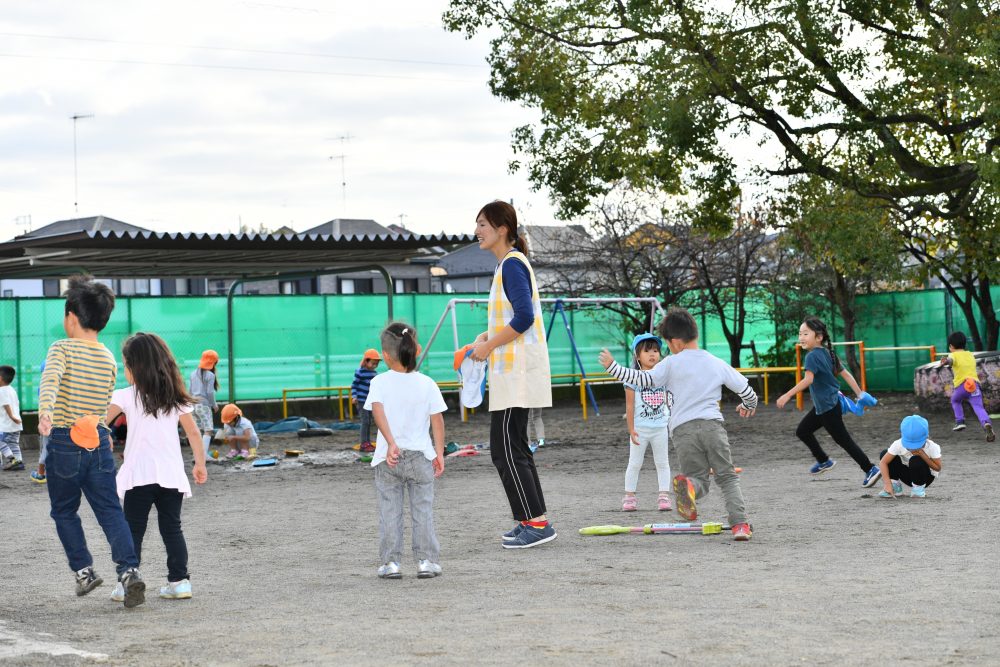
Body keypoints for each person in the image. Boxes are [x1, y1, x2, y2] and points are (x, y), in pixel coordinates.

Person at [599, 308, 757, 541]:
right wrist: (747, 405)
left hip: (682, 431)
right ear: (694, 335)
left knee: (697, 477)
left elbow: (642, 379)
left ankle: (690, 487)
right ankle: (740, 526)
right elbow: (746, 390)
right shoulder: (715, 362)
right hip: (713, 426)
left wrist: (614, 367)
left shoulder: (671, 364)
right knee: (726, 477)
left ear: (675, 342)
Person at [37, 275, 145, 607]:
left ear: (70, 315)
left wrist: (45, 413)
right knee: (111, 510)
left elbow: (51, 379)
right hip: (97, 440)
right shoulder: (107, 357)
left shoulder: (61, 347)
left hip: (65, 439)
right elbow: (101, 405)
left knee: (64, 511)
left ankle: (84, 571)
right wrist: (102, 433)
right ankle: (129, 572)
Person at [468, 201, 556, 549]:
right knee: (511, 448)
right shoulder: (507, 266)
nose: (477, 231)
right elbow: (512, 320)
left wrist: (488, 348)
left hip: (516, 374)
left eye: (482, 224)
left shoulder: (512, 266)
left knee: (506, 451)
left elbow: (523, 319)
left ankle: (537, 523)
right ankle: (528, 520)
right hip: (511, 373)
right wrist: (486, 338)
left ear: (502, 228)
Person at [106, 332, 208, 601]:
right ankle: (179, 582)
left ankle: (126, 582)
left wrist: (102, 434)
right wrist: (199, 463)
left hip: (139, 476)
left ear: (133, 367)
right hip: (171, 475)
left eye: (125, 365)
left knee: (132, 531)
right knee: (172, 528)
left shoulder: (125, 396)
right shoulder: (175, 397)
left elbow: (98, 421)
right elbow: (194, 434)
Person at [365, 322, 446, 579]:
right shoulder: (427, 383)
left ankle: (391, 564)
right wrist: (439, 453)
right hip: (421, 456)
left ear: (386, 356)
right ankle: (426, 562)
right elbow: (438, 421)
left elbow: (377, 411)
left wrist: (390, 442)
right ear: (415, 350)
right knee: (423, 510)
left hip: (388, 459)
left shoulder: (379, 382)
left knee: (390, 511)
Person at [776, 317, 882, 488]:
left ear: (818, 337)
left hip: (828, 408)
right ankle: (824, 460)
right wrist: (860, 394)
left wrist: (788, 395)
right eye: (799, 333)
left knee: (844, 441)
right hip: (828, 405)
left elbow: (808, 379)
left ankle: (870, 469)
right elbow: (846, 374)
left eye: (805, 333)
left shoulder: (811, 357)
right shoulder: (829, 353)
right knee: (803, 431)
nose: (801, 337)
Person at [620, 334, 673, 512]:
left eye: (656, 350)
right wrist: (631, 429)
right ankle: (629, 497)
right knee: (634, 463)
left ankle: (664, 496)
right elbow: (629, 405)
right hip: (640, 430)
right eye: (647, 351)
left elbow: (671, 400)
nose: (653, 354)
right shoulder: (632, 377)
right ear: (637, 355)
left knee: (662, 463)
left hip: (660, 429)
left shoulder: (664, 376)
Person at [940, 331, 995, 442]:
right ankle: (986, 423)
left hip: (962, 386)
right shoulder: (970, 355)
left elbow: (951, 361)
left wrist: (946, 361)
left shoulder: (953, 355)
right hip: (974, 385)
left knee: (955, 400)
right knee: (979, 407)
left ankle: (960, 421)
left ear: (951, 346)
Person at [877, 415, 942, 499]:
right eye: (909, 445)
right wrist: (887, 483)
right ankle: (894, 487)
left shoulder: (932, 447)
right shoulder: (898, 444)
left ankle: (918, 490)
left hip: (925, 477)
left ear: (927, 437)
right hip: (907, 474)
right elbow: (883, 462)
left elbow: (938, 468)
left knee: (916, 460)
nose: (912, 448)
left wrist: (923, 455)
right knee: (885, 453)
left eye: (917, 444)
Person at [189, 349, 220, 459]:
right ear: (213, 363)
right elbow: (210, 392)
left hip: (193, 405)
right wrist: (214, 405)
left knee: (197, 431)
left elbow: (190, 391)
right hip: (204, 405)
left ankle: (196, 455)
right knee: (208, 430)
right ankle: (203, 456)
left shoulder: (192, 374)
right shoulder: (210, 376)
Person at [351, 349, 381, 453]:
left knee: (369, 421)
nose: (374, 366)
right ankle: (364, 443)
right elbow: (354, 385)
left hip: (369, 401)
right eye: (373, 363)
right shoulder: (360, 372)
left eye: (376, 364)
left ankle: (367, 442)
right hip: (361, 400)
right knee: (365, 421)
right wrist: (354, 396)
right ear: (366, 361)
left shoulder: (374, 373)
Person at [0, 365, 25, 471]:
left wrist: (11, 416)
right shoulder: (11, 390)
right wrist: (16, 418)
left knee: (1, 442)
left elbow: (6, 404)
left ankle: (12, 459)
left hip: (7, 424)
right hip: (16, 423)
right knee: (14, 444)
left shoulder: (1, 391)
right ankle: (19, 462)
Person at [32, 360, 49, 483]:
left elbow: (42, 407)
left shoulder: (43, 387)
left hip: (48, 422)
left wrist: (41, 422)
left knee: (45, 447)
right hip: (65, 423)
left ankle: (41, 474)